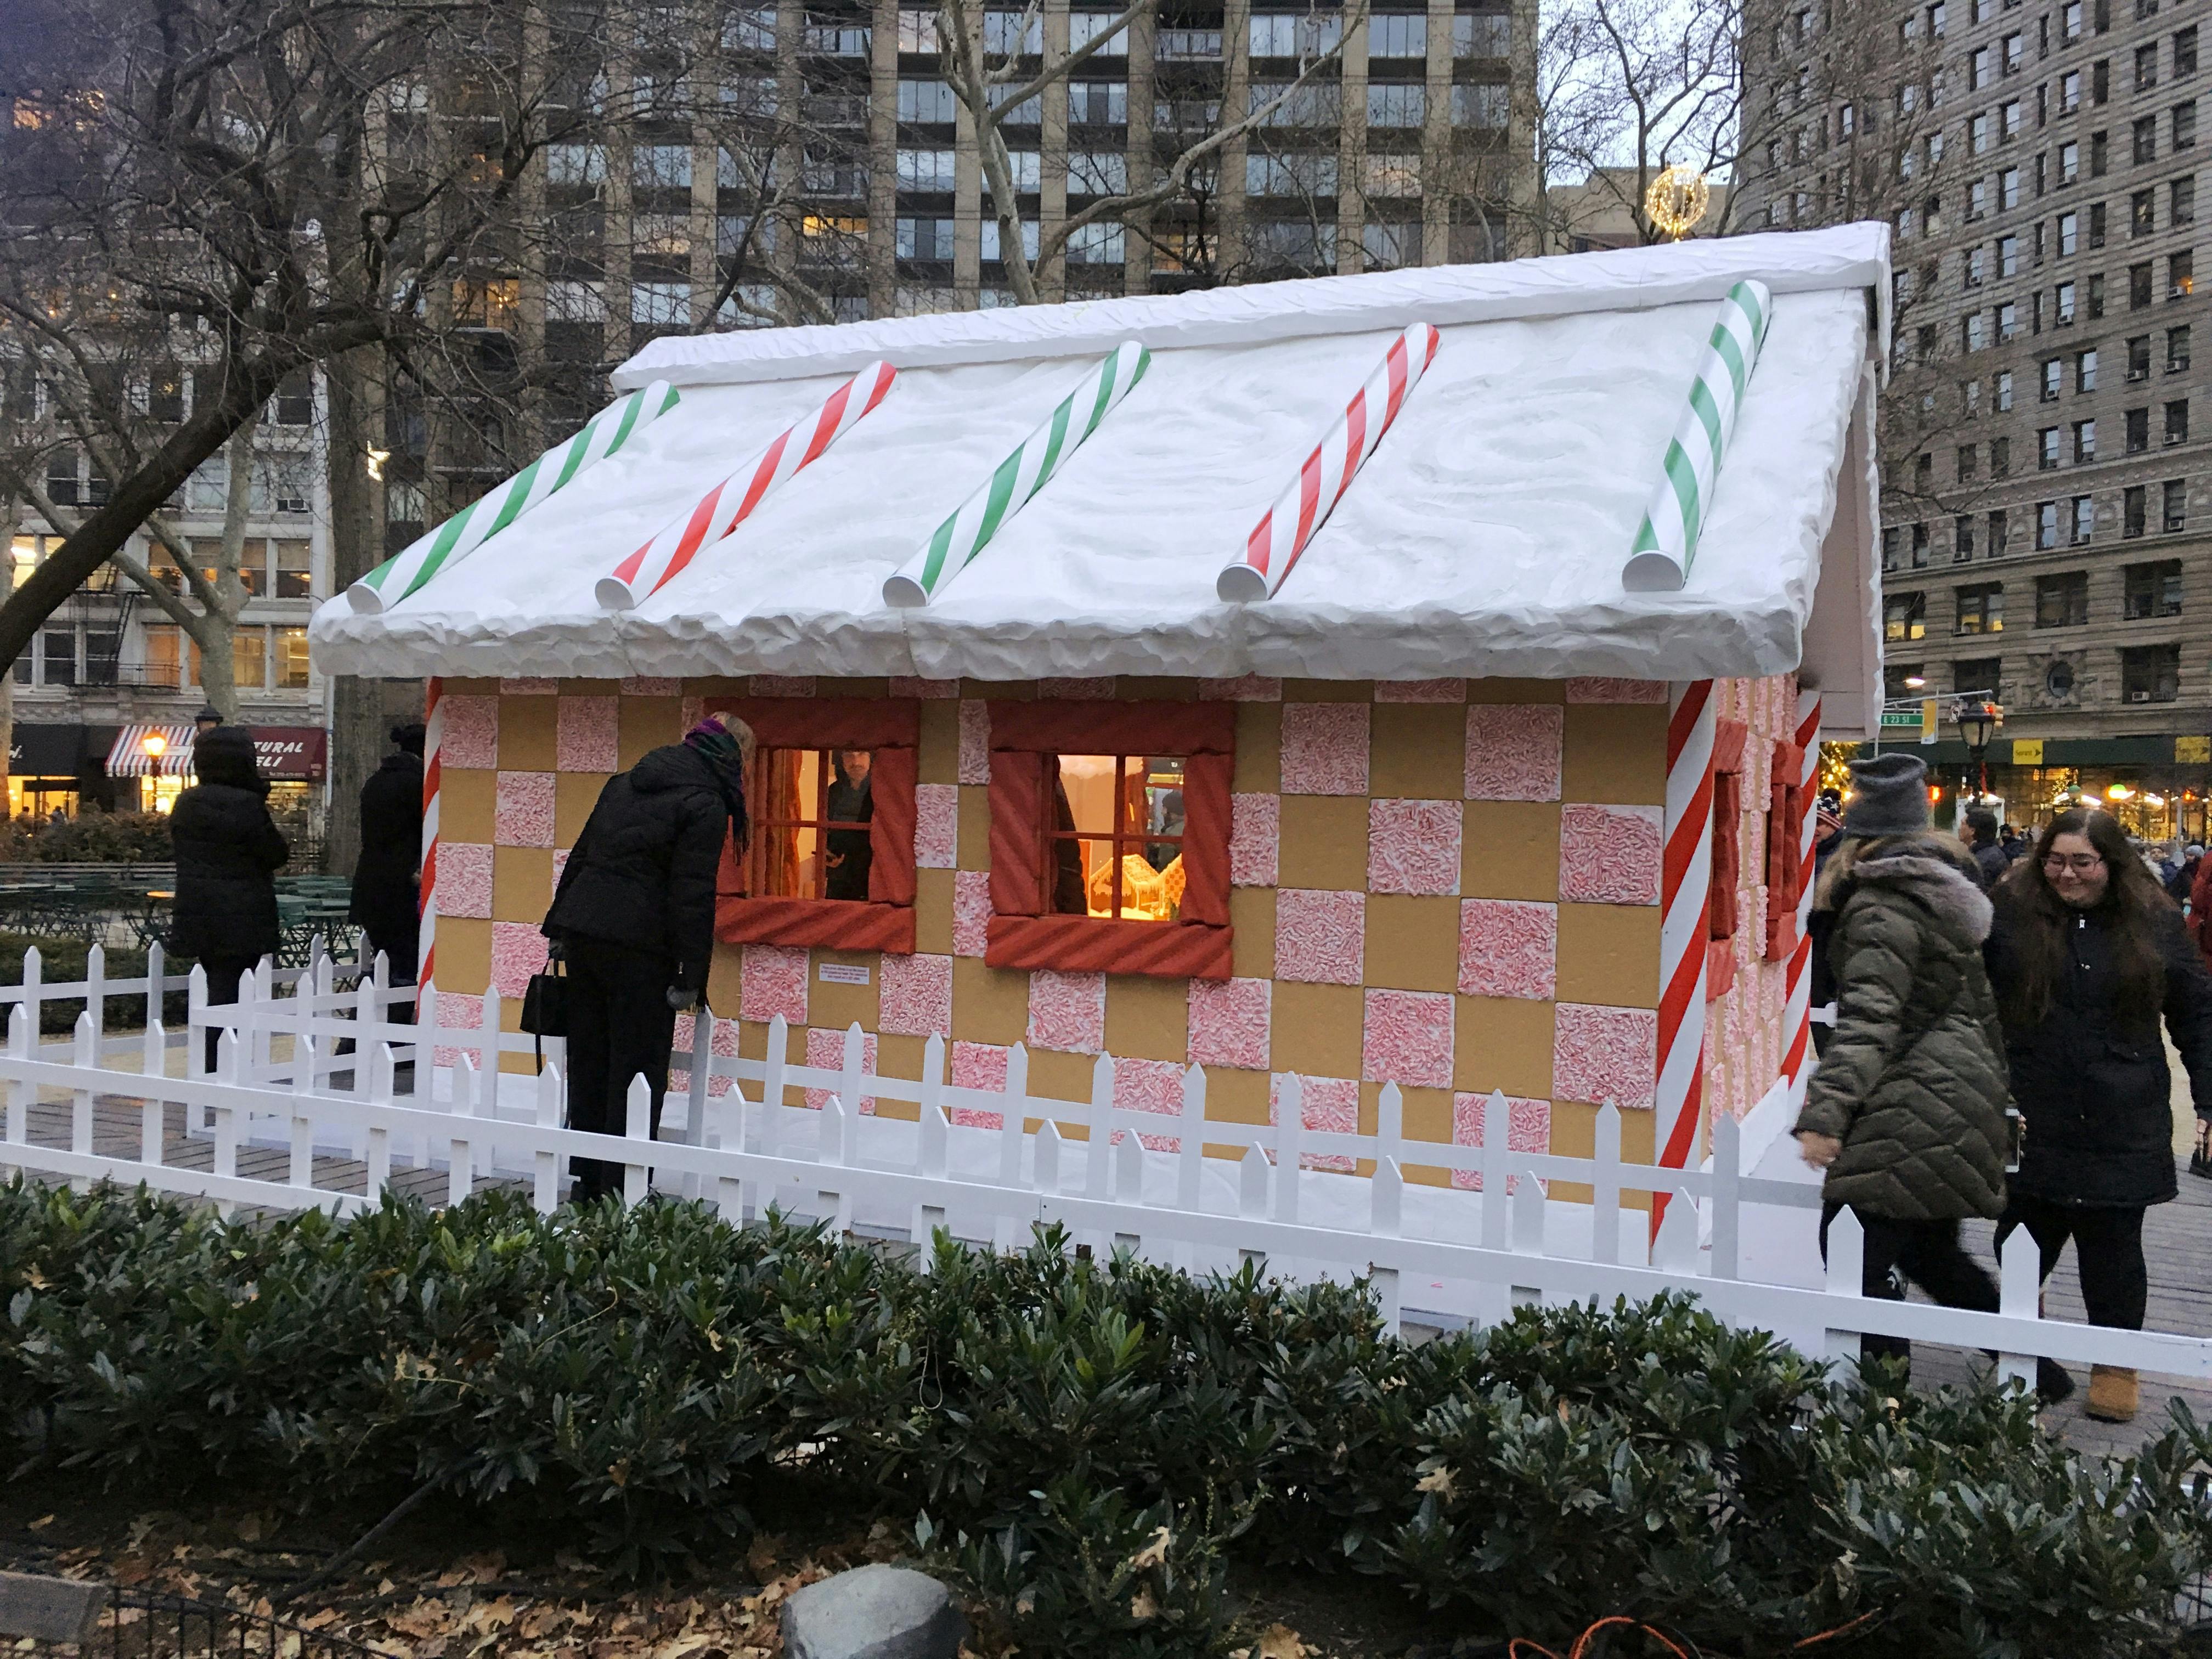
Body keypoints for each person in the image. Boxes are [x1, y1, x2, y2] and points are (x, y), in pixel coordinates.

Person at [1984, 808, 2212, 1421]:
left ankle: (2115, 1362)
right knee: (2021, 1237)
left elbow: (2196, 1013)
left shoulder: (2156, 924)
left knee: (2113, 1249)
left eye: (2082, 862)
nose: (2067, 874)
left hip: (2122, 1107)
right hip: (2032, 1104)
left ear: (2111, 864)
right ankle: (2023, 1349)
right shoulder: (2009, 917)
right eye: (2055, 860)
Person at [1792, 751, 2013, 1380]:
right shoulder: (1944, 895)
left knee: (1851, 1246)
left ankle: (1880, 1390)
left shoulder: (1880, 908)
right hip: (1955, 1094)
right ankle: (2036, 1369)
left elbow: (1868, 1020)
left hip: (1911, 1098)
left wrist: (1826, 1113)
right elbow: (1981, 1013)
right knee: (1928, 1251)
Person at [543, 715, 750, 1203]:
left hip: (586, 934)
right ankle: (625, 1185)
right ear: (734, 757)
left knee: (591, 1058)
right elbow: (692, 894)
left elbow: (583, 855)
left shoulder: (623, 784)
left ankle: (588, 1179)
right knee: (638, 1068)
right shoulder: (705, 802)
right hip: (641, 948)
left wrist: (558, 926)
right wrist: (690, 976)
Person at [168, 725, 289, 1073]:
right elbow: (275, 853)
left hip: (199, 910)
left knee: (216, 987)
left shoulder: (187, 803)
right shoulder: (247, 805)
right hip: (243, 912)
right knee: (239, 992)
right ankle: (229, 1064)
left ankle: (212, 1061)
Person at [349, 723, 425, 984]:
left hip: (371, 883)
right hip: (403, 885)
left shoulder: (376, 781)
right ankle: (398, 1017)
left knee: (384, 958)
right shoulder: (419, 785)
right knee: (405, 964)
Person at [1806, 790, 1846, 1057]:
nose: (1815, 829)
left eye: (1821, 823)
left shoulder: (1840, 858)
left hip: (1829, 945)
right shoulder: (1810, 853)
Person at [822, 748, 873, 901]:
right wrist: (826, 853)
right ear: (841, 760)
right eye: (849, 755)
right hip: (840, 872)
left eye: (862, 754)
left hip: (870, 870)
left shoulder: (881, 791)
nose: (856, 762)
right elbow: (826, 829)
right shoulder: (833, 791)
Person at [1962, 808, 2008, 890]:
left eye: (1963, 824)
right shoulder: (1992, 854)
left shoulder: (1980, 861)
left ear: (1972, 830)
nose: (1959, 828)